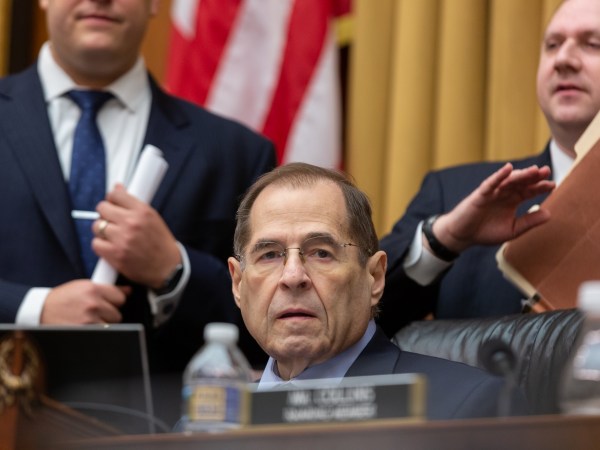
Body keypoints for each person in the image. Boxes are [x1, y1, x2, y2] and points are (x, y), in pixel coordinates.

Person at [0, 0, 275, 375]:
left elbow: (273, 320)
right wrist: (34, 307)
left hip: (160, 426)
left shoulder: (235, 154)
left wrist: (176, 270)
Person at [227, 162, 529, 420]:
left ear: (375, 277)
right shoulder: (202, 426)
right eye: (269, 255)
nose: (293, 276)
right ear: (239, 284)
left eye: (321, 253)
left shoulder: (469, 409)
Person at [377, 0, 600, 336]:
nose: (563, 60)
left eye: (593, 44)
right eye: (552, 45)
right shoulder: (454, 194)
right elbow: (357, 321)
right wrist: (446, 240)